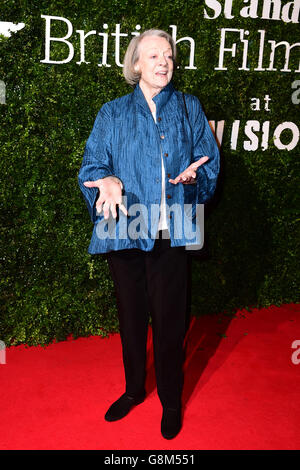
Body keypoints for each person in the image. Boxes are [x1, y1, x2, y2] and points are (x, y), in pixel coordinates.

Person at [78, 29, 220, 440]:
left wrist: (194, 179)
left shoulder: (190, 108)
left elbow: (208, 166)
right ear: (136, 64)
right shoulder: (112, 112)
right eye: (154, 55)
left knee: (171, 320)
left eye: (169, 56)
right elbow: (91, 166)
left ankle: (171, 400)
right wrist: (104, 180)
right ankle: (134, 389)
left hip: (172, 227)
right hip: (126, 224)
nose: (164, 62)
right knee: (131, 316)